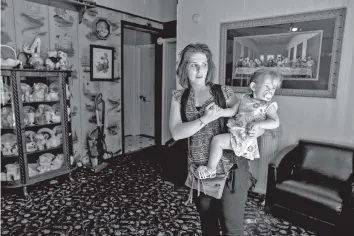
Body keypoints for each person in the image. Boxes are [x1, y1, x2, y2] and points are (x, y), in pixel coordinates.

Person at [169, 43, 265, 236]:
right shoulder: (179, 97)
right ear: (184, 67)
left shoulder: (224, 92)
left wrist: (258, 131)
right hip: (202, 171)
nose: (199, 70)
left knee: (232, 227)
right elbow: (177, 133)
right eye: (193, 65)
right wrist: (206, 118)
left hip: (233, 169)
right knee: (208, 224)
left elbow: (250, 118)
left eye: (203, 64)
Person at [195, 68, 282, 179]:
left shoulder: (268, 106)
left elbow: (275, 122)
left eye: (273, 88)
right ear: (254, 87)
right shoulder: (244, 99)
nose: (270, 91)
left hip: (245, 138)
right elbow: (232, 111)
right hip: (238, 133)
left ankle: (211, 169)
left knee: (217, 141)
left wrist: (260, 124)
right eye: (267, 86)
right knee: (218, 141)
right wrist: (219, 112)